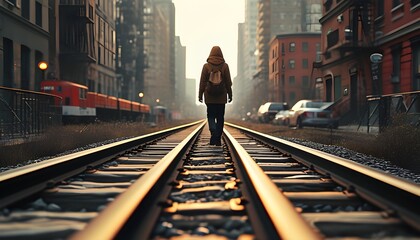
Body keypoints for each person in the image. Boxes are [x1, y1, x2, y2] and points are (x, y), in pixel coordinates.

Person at [198, 46, 232, 146]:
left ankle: (214, 133)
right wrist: (230, 95)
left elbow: (202, 82)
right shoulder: (225, 66)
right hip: (221, 97)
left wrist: (200, 95)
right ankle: (217, 137)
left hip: (209, 96)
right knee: (220, 117)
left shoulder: (206, 66)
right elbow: (228, 82)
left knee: (211, 116)